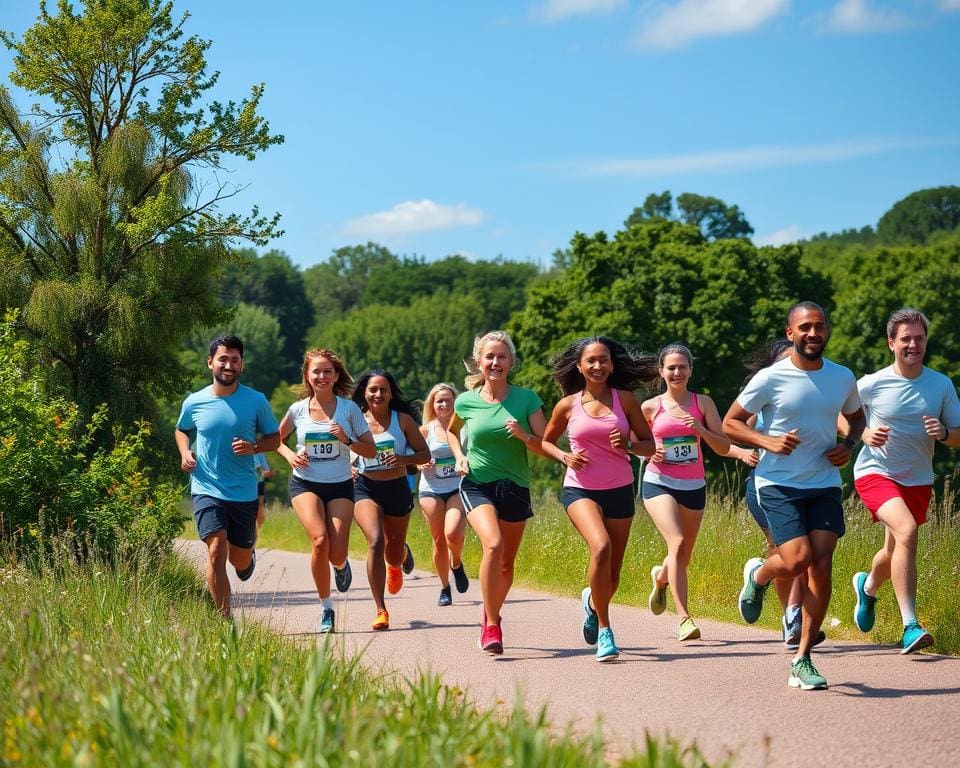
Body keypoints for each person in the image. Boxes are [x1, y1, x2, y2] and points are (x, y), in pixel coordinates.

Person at [723, 302, 865, 691]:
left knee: (821, 564)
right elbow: (730, 422)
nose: (813, 333)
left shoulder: (842, 377)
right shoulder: (770, 378)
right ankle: (759, 574)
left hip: (823, 482)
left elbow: (857, 417)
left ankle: (803, 659)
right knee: (797, 558)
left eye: (820, 326)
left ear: (827, 331)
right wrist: (766, 440)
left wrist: (848, 444)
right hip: (778, 483)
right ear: (791, 333)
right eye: (805, 327)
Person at [848, 308, 960, 654]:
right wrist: (863, 432)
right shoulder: (871, 383)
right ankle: (910, 625)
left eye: (919, 338)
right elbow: (839, 413)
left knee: (893, 547)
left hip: (917, 479)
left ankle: (867, 587)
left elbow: (958, 435)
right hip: (875, 472)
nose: (914, 344)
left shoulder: (941, 384)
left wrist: (942, 433)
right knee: (907, 530)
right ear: (891, 343)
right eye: (906, 339)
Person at [541, 337, 658, 661]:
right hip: (579, 488)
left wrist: (629, 445)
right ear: (579, 366)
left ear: (612, 364)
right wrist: (564, 457)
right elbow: (544, 442)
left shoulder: (626, 400)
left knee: (614, 575)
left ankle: (593, 603)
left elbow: (649, 446)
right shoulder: (567, 405)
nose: (597, 366)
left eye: (603, 360)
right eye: (591, 360)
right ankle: (606, 631)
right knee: (601, 546)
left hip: (619, 488)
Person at [447, 330, 550, 655]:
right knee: (493, 544)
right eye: (489, 356)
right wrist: (460, 456)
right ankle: (492, 624)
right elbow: (452, 432)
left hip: (515, 487)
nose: (495, 362)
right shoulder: (465, 401)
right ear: (479, 362)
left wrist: (523, 436)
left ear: (511, 362)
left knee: (506, 563)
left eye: (501, 357)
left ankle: (490, 611)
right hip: (476, 483)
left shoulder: (527, 399)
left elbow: (546, 445)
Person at [175, 335, 281, 619]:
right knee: (216, 549)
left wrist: (255, 447)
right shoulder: (195, 401)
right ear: (210, 362)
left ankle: (248, 557)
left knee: (239, 560)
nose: (229, 365)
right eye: (223, 359)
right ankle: (224, 620)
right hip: (206, 487)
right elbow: (181, 429)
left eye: (235, 359)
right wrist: (186, 452)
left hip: (243, 492)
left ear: (242, 364)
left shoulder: (256, 400)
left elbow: (275, 437)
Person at [731, 338, 823, 650]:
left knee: (806, 555)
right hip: (768, 487)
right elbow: (736, 425)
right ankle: (789, 612)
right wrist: (763, 442)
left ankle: (790, 617)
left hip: (812, 486)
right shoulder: (764, 396)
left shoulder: (817, 392)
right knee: (789, 554)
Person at [276, 349, 376, 634]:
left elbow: (370, 449)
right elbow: (276, 439)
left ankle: (341, 564)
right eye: (316, 372)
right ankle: (326, 609)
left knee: (336, 550)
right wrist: (289, 456)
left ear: (336, 376)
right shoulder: (297, 410)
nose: (321, 376)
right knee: (319, 541)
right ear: (307, 376)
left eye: (327, 372)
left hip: (340, 484)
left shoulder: (349, 410)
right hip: (304, 482)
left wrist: (346, 439)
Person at [640, 343, 731, 642]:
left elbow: (723, 446)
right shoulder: (650, 407)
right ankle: (684, 619)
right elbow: (635, 445)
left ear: (691, 369)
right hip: (658, 482)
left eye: (682, 367)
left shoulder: (702, 403)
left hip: (694, 485)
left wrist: (701, 430)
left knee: (683, 555)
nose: (677, 372)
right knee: (676, 542)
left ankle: (661, 577)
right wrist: (649, 454)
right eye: (671, 367)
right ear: (661, 371)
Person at [351, 369, 430, 630]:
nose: (378, 394)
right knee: (375, 540)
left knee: (393, 551)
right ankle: (380, 609)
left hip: (396, 487)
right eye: (373, 389)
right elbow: (342, 449)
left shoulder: (404, 420)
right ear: (364, 393)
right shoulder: (355, 420)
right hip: (365, 487)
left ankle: (400, 556)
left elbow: (424, 454)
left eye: (383, 389)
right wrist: (349, 465)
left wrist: (403, 460)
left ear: (391, 393)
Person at [418, 383, 470, 607]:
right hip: (430, 489)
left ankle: (456, 563)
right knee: (439, 540)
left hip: (457, 487)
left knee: (453, 535)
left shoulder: (465, 426)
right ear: (433, 405)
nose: (444, 404)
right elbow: (413, 456)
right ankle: (444, 587)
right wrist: (421, 463)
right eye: (440, 400)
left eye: (448, 400)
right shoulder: (426, 430)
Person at [254, 452, 273, 534]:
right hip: (242, 484)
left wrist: (261, 471)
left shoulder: (259, 453)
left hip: (258, 482)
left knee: (260, 505)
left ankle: (259, 531)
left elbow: (267, 471)